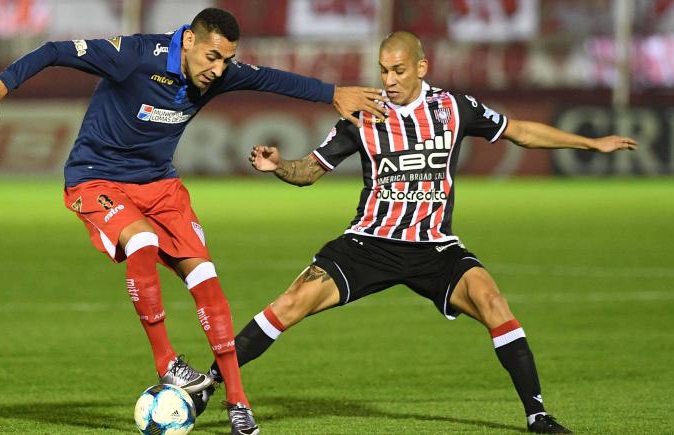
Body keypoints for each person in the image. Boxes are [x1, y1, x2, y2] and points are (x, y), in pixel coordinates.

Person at [0, 8, 389, 435]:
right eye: (212, 57)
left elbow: (272, 78)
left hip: (162, 188)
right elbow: (55, 50)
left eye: (226, 59)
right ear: (188, 41)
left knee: (206, 277)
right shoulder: (133, 55)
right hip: (96, 180)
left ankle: (238, 402)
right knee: (142, 242)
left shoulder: (218, 74)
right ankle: (169, 364)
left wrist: (332, 92)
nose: (218, 69)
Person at [202, 31, 639, 434]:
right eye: (382, 70)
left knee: (492, 302)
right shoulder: (364, 117)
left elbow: (520, 131)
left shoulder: (454, 108)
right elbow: (308, 172)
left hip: (434, 248)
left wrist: (591, 143)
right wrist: (277, 166)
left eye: (398, 70)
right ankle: (208, 384)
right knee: (291, 302)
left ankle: (537, 414)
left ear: (421, 68)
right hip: (369, 243)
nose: (388, 80)